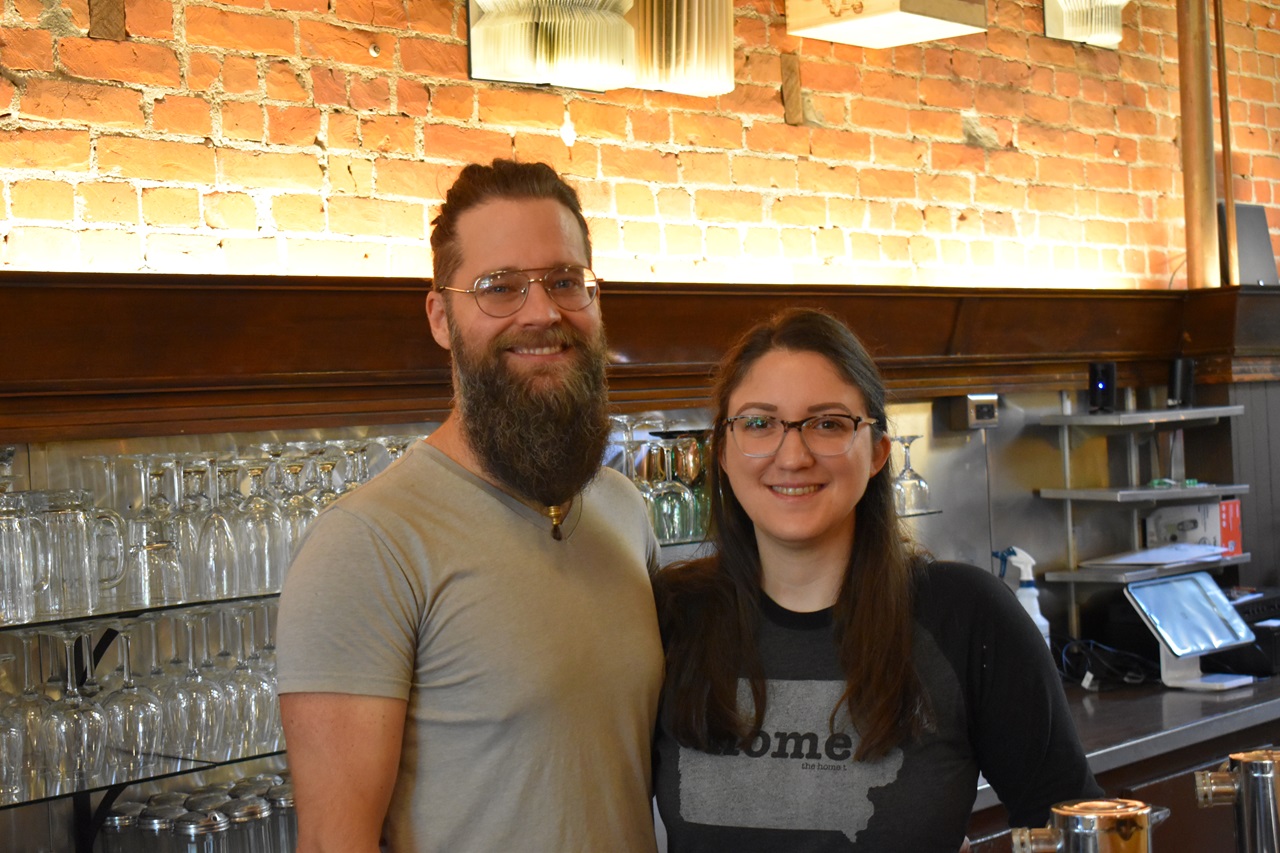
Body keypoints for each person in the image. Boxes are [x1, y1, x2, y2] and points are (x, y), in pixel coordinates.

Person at [276, 159, 664, 853]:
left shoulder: (622, 510)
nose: (542, 312)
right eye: (499, 287)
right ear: (441, 317)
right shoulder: (367, 543)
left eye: (566, 281)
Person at [651, 307, 1101, 852]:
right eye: (758, 423)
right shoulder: (669, 617)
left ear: (878, 452)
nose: (792, 456)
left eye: (828, 424)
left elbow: (1074, 827)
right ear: (721, 451)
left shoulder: (964, 615)